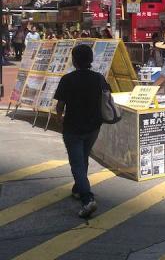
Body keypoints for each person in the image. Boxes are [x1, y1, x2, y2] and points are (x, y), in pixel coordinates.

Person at [54, 44, 107, 218]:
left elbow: (60, 105)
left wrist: (59, 116)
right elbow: (108, 96)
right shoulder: (98, 78)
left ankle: (87, 198)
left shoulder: (67, 79)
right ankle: (78, 189)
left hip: (73, 127)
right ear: (91, 60)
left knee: (77, 163)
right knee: (82, 158)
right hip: (93, 126)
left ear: (74, 60)